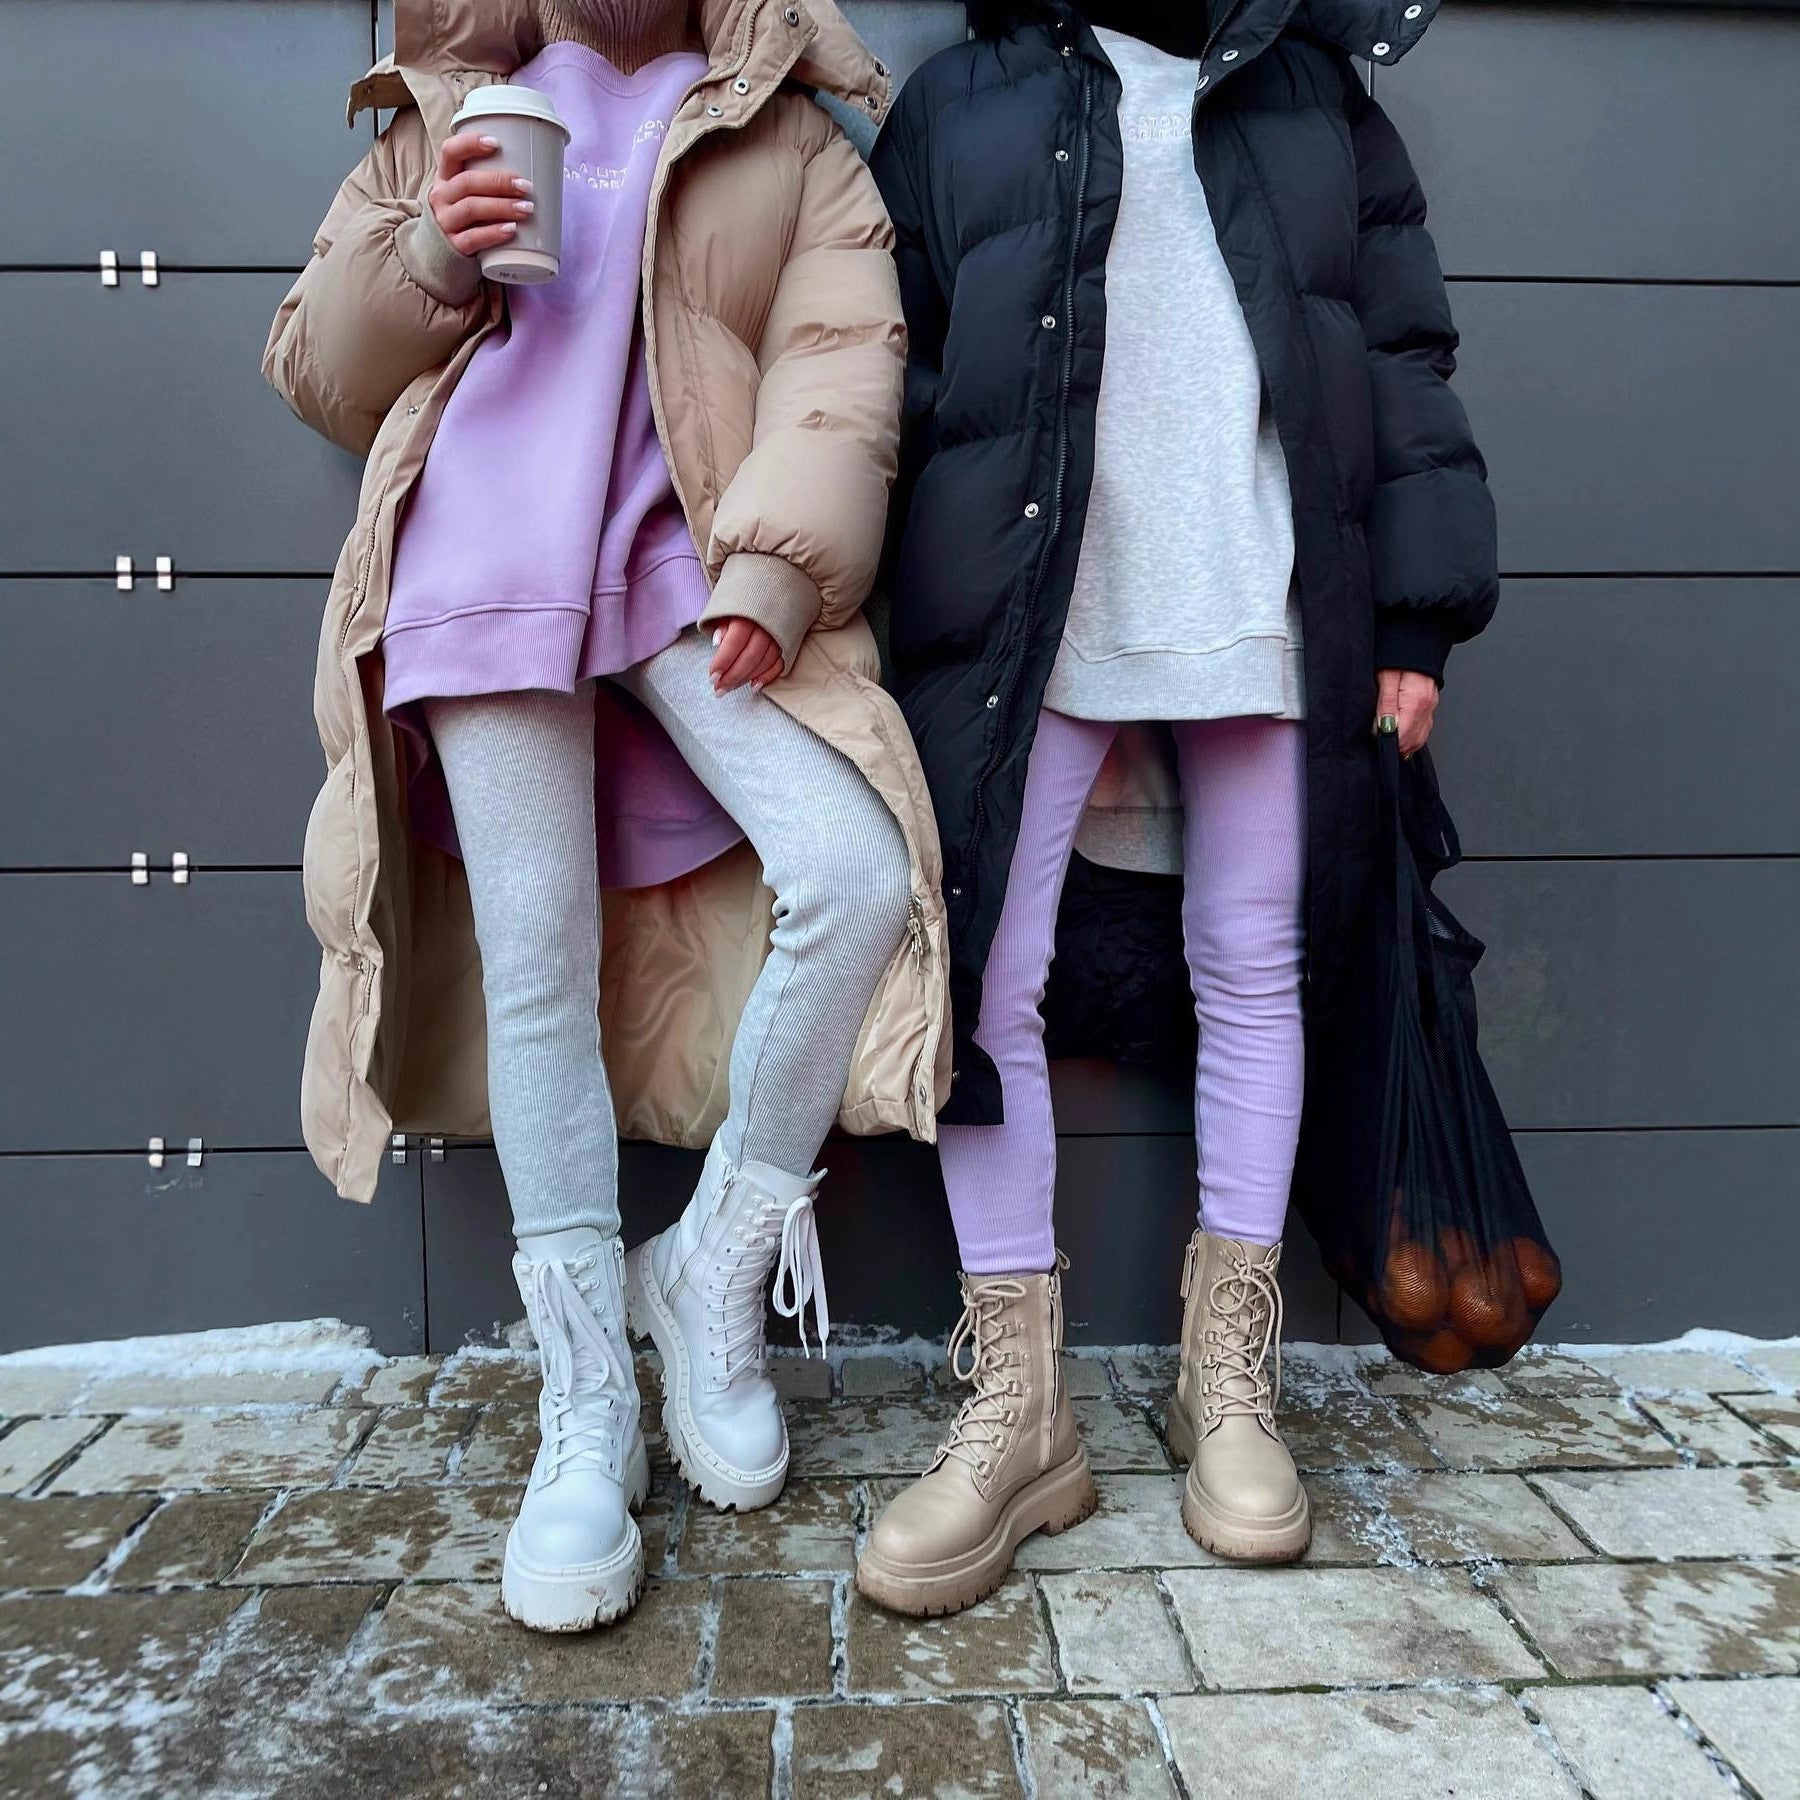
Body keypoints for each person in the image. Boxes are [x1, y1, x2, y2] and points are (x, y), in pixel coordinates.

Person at [264, 0, 951, 1633]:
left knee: (856, 872)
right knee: (536, 968)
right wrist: (431, 249)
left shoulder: (786, 131)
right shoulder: (448, 105)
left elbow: (842, 363)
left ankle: (711, 1270)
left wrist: (781, 564)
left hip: (687, 564)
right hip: (483, 559)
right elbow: (316, 362)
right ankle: (584, 1403)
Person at [856, 0, 1497, 1615]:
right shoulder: (960, 101)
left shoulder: (1313, 95)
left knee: (1257, 967)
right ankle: (1023, 1414)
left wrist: (1416, 616)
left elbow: (1400, 347)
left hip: (1265, 600)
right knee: (981, 983)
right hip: (1029, 617)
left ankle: (1232, 1389)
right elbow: (892, 376)